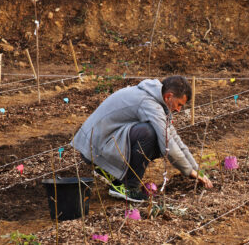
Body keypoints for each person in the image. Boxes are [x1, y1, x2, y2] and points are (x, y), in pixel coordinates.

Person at [72, 75, 213, 202]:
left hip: (101, 143)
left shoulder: (158, 99)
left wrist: (196, 170)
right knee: (150, 134)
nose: (178, 110)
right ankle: (128, 188)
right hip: (94, 149)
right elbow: (168, 145)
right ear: (169, 96)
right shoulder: (148, 103)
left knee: (155, 135)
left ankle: (115, 176)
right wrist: (189, 172)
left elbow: (174, 137)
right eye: (179, 104)